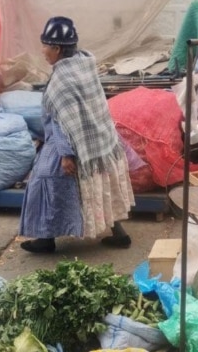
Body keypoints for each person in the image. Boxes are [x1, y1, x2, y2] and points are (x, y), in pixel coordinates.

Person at [19, 16, 135, 254]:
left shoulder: (61, 80)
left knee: (45, 179)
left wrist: (66, 154)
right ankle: (119, 233)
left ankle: (45, 239)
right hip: (101, 140)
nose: (43, 51)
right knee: (103, 183)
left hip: (73, 144)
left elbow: (62, 123)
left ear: (57, 48)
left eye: (45, 46)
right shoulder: (85, 63)